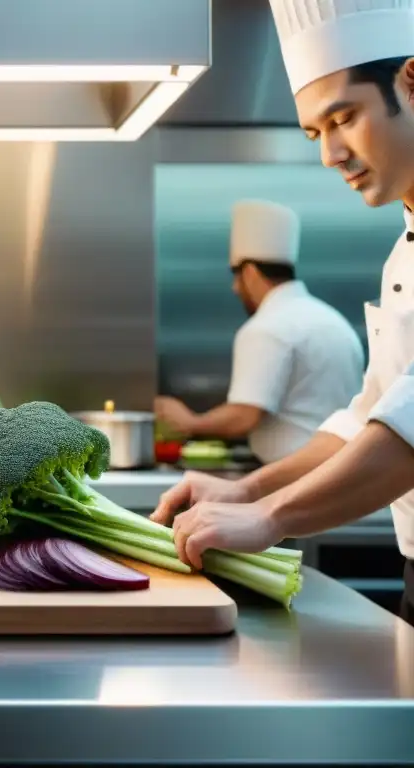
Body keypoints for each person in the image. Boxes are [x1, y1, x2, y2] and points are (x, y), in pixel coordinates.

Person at [151, 0, 414, 623]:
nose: (330, 155)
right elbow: (370, 414)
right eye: (314, 134)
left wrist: (269, 517)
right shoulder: (402, 250)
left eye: (343, 118)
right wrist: (245, 489)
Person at [155, 199, 364, 465]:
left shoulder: (266, 327)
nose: (234, 288)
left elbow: (244, 417)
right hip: (342, 470)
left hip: (295, 476)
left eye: (236, 276)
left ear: (251, 272)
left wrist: (190, 422)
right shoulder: (333, 320)